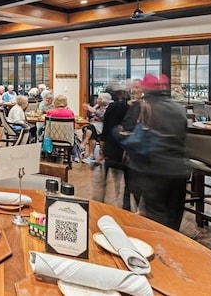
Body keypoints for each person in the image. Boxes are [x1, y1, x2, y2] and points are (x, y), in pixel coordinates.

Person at [114, 73, 188, 231]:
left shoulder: (143, 107)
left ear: (145, 88)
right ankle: (174, 247)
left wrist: (117, 132)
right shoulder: (179, 108)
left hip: (152, 169)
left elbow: (134, 139)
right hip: (179, 168)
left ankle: (158, 250)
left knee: (155, 217)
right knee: (174, 217)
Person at [95, 84, 131, 209]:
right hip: (127, 149)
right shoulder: (131, 108)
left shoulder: (111, 108)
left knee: (107, 178)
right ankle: (124, 206)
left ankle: (103, 204)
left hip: (111, 147)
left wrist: (102, 151)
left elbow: (105, 130)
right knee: (127, 181)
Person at [81, 92, 111, 163]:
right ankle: (91, 155)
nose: (98, 100)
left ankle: (86, 145)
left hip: (104, 126)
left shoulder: (109, 107)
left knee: (90, 128)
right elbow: (92, 115)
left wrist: (95, 112)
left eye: (99, 99)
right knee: (91, 130)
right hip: (96, 126)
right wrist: (91, 113)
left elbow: (105, 118)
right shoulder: (98, 106)